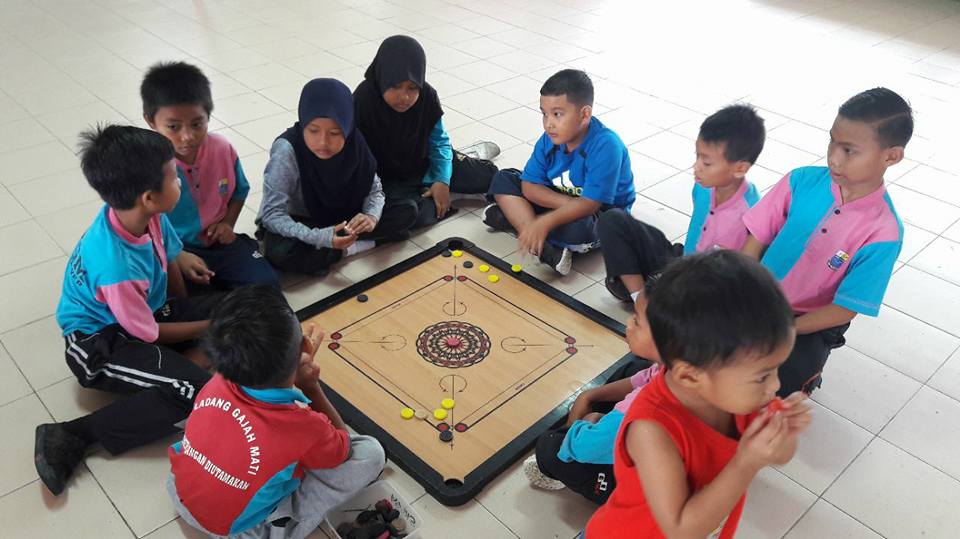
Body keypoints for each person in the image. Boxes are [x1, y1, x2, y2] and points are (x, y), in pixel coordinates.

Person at [34, 125, 224, 496]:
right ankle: (72, 434)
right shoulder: (114, 267)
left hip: (144, 315)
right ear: (150, 196)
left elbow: (168, 258)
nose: (180, 181)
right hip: (99, 343)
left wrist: (184, 310)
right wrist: (210, 324)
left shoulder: (144, 213)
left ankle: (181, 360)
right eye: (174, 176)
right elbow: (145, 333)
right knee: (192, 390)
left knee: (238, 303)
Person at [585, 250, 810, 539]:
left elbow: (779, 455)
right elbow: (680, 529)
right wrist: (746, 463)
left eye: (777, 369)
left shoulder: (741, 397)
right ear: (690, 375)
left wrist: (783, 434)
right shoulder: (651, 430)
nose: (776, 386)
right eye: (763, 375)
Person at [167, 285, 385, 539]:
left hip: (180, 492)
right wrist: (310, 387)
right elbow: (343, 450)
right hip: (242, 531)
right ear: (305, 346)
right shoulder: (303, 425)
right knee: (370, 453)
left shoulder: (216, 381)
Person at [742, 87, 911, 396]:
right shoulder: (800, 180)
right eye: (832, 141)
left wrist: (785, 330)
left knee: (776, 388)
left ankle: (808, 373)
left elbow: (844, 308)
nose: (834, 157)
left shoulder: (884, 232)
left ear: (891, 156)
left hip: (807, 320)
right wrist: (736, 285)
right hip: (756, 294)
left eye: (849, 150)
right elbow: (756, 239)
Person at [599, 104, 765, 301]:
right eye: (697, 157)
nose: (696, 167)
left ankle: (652, 293)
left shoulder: (753, 214)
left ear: (740, 168)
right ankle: (640, 298)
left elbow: (741, 280)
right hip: (683, 262)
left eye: (707, 163)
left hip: (709, 288)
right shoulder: (703, 186)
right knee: (612, 220)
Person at [257, 78, 418, 275]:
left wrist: (370, 216)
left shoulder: (355, 143)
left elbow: (375, 190)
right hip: (306, 220)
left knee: (407, 210)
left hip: (346, 216)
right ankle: (354, 245)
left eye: (334, 133)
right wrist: (319, 237)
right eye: (313, 130)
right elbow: (272, 214)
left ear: (347, 127)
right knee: (278, 252)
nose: (322, 142)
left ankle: (340, 250)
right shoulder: (287, 151)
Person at [483, 69, 635, 275]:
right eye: (544, 113)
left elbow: (590, 204)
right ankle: (541, 243)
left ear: (584, 115)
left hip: (599, 213)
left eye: (557, 114)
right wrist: (562, 208)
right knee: (504, 179)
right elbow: (529, 185)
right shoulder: (549, 138)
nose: (548, 123)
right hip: (562, 199)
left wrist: (546, 220)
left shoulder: (607, 145)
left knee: (581, 227)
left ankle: (519, 222)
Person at [141, 61, 278, 289]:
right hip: (172, 252)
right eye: (173, 127)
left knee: (267, 284)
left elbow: (239, 191)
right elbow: (141, 225)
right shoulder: (147, 166)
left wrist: (227, 223)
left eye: (197, 124)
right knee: (179, 302)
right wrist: (177, 255)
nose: (187, 137)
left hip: (218, 243)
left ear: (208, 115)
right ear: (150, 121)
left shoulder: (222, 149)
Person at [524, 288, 661, 504]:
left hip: (634, 484)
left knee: (549, 445)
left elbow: (581, 448)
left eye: (637, 321)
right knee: (634, 368)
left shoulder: (638, 414)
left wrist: (581, 425)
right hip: (646, 451)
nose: (628, 323)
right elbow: (642, 377)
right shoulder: (675, 369)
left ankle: (561, 472)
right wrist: (587, 396)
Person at [354, 35, 500, 231]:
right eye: (395, 86)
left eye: (412, 88)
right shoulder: (362, 102)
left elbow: (439, 143)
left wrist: (441, 180)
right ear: (382, 76)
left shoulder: (427, 97)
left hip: (424, 164)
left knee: (489, 176)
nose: (404, 97)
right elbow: (355, 160)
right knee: (409, 213)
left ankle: (445, 186)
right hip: (386, 179)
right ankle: (442, 196)